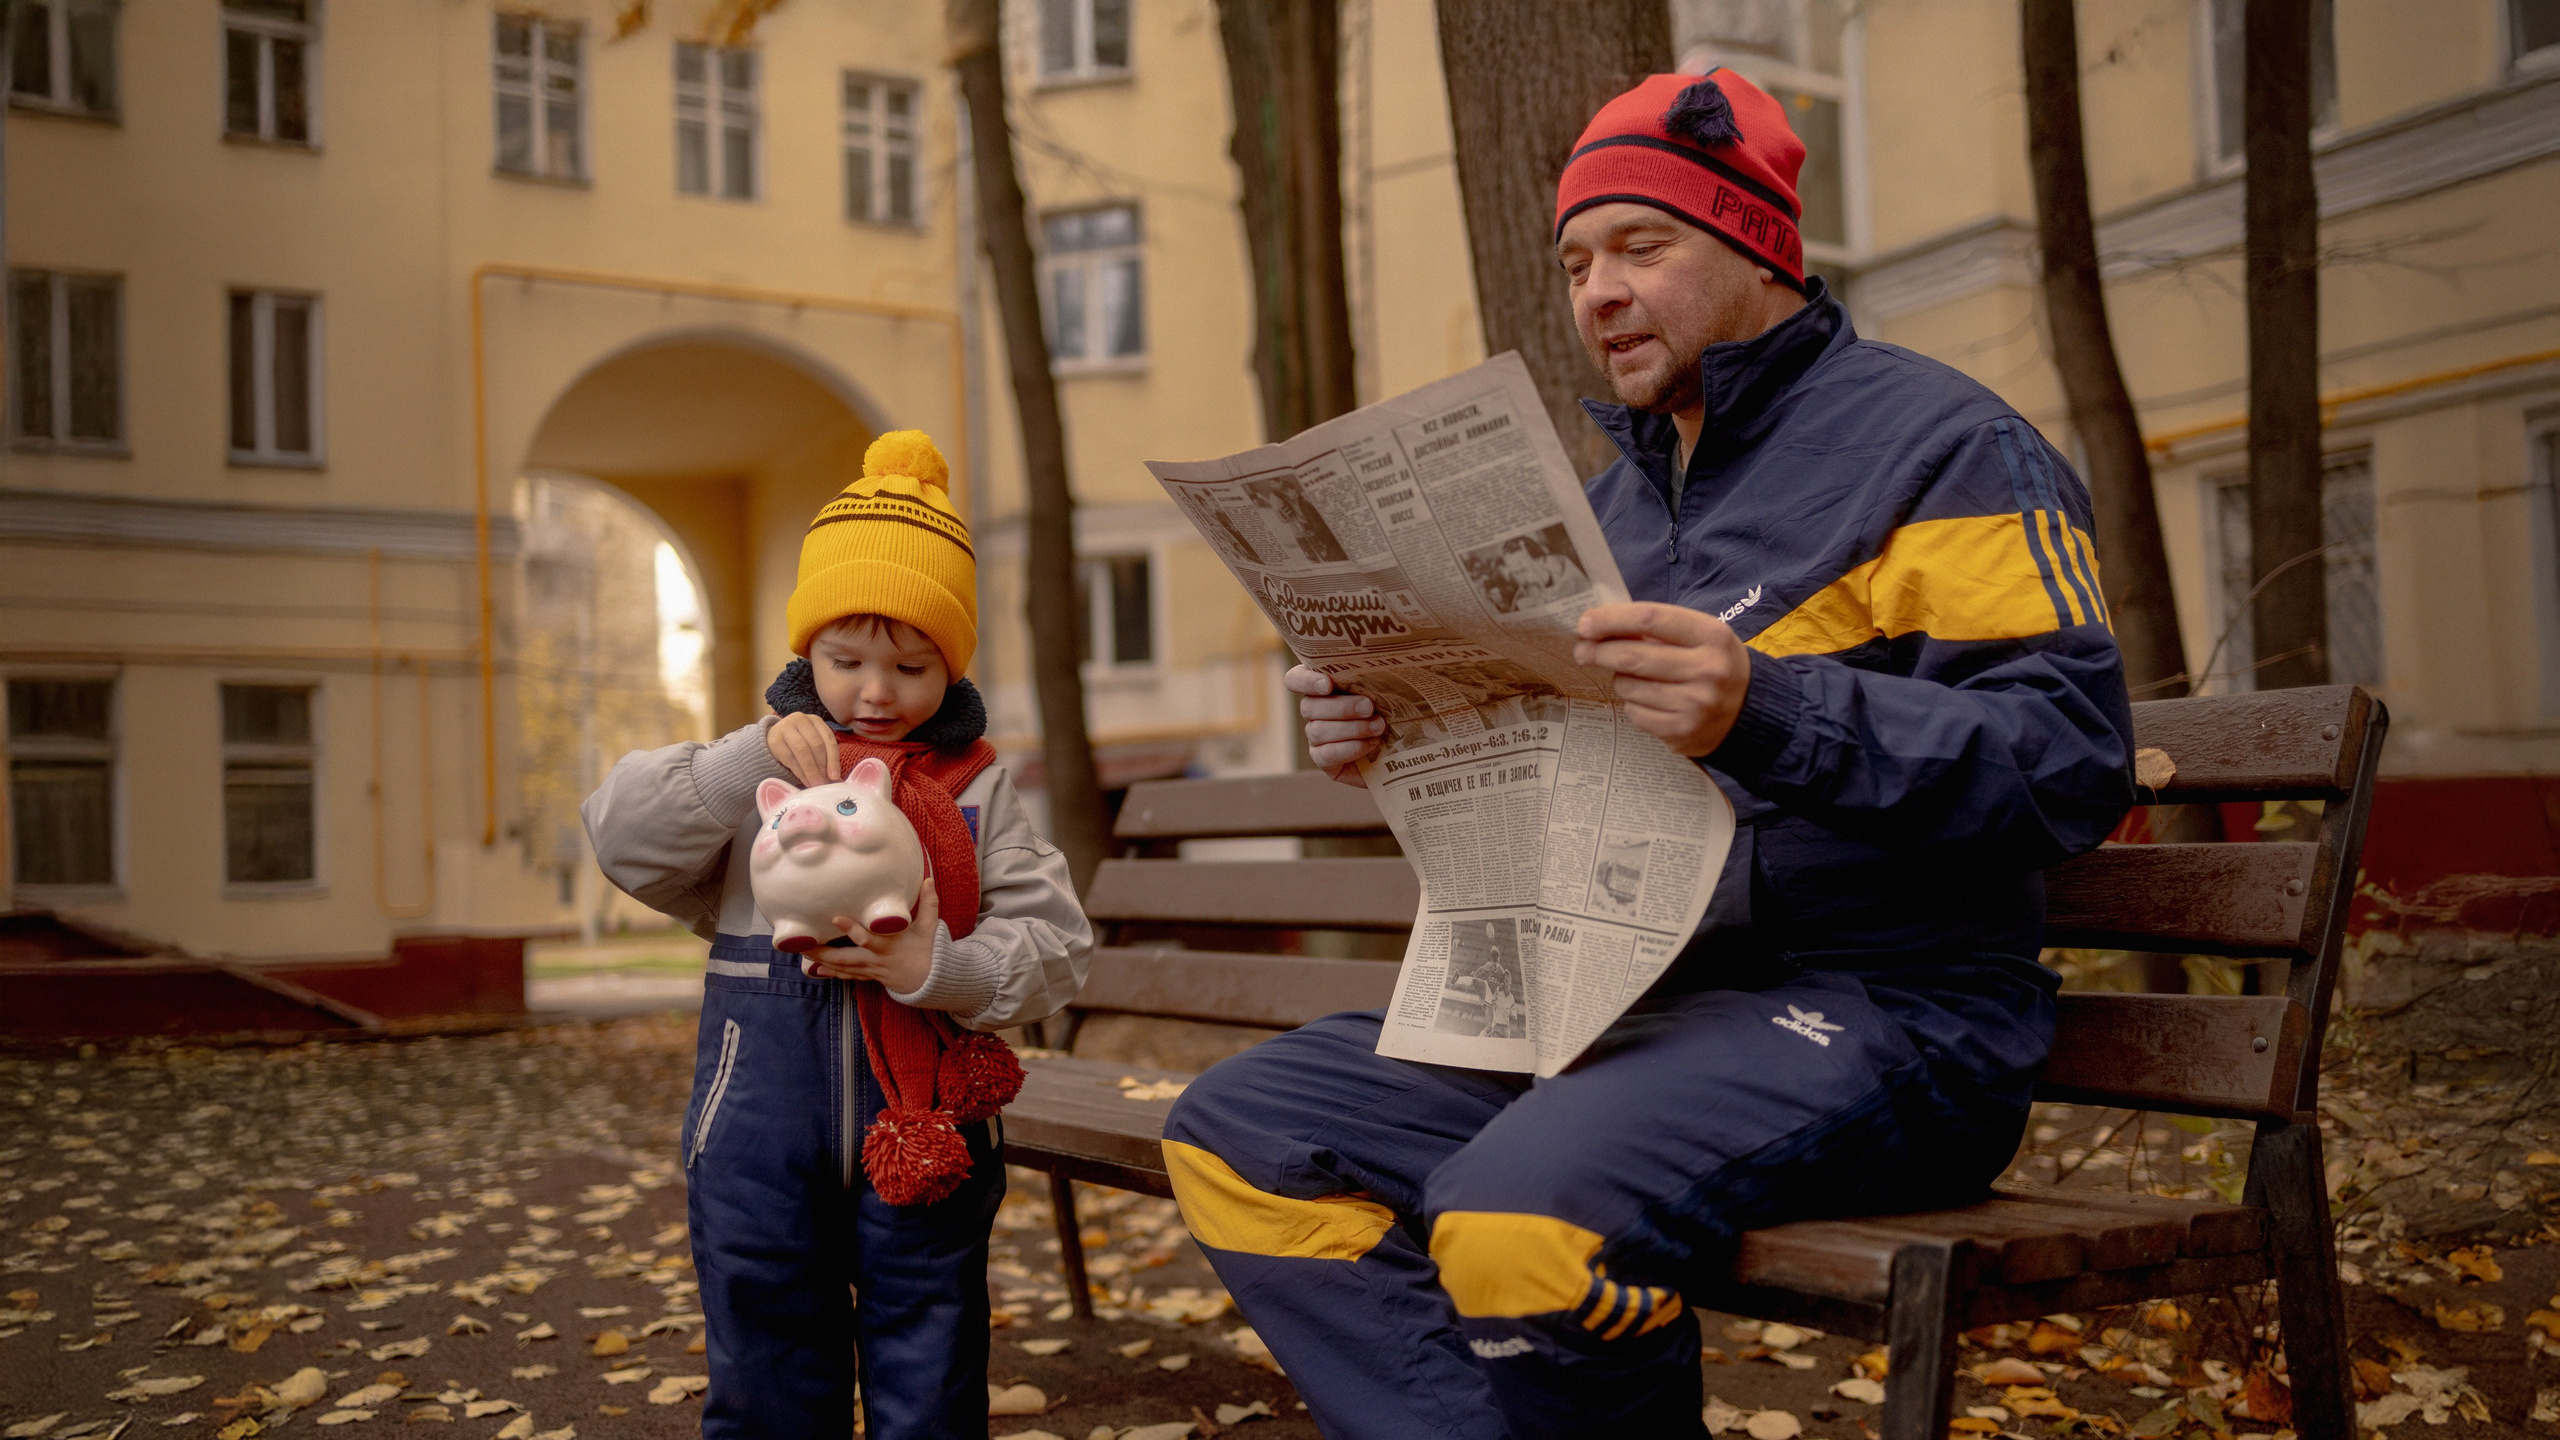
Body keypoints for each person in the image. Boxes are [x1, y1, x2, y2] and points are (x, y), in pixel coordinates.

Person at [1161, 67, 2134, 1440]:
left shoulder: (1944, 445)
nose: (1597, 292)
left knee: (1516, 1228)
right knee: (1248, 1136)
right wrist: (1398, 731)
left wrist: (1769, 710)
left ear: (1756, 248)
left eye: (1642, 247)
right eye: (1574, 262)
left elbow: (2070, 756)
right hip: (1627, 1004)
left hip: (1894, 1014)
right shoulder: (1606, 507)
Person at [583, 431, 1093, 1440]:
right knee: (763, 1331)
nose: (874, 692)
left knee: (929, 1342)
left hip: (928, 1126)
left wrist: (939, 966)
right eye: (844, 660)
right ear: (802, 654)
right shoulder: (758, 770)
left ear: (952, 664)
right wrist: (744, 763)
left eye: (911, 665)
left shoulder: (981, 787)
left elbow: (1058, 947)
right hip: (755, 1120)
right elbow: (621, 838)